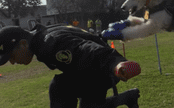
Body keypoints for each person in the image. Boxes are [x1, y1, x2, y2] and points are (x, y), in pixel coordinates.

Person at [0, 25, 140, 108]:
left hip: (101, 69)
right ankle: (127, 97)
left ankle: (126, 97)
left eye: (11, 56)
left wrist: (116, 63)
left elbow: (87, 49)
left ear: (23, 43)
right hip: (88, 71)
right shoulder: (40, 39)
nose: (12, 62)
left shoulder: (50, 43)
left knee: (59, 86)